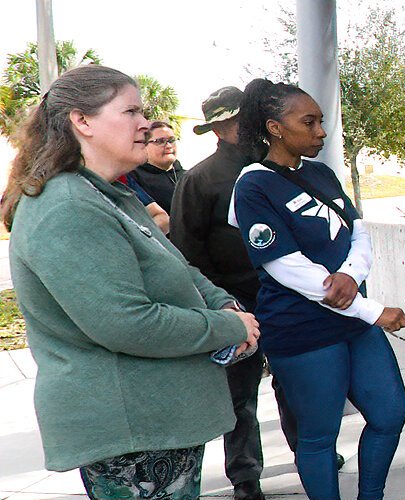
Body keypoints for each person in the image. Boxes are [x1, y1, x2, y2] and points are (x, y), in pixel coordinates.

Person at [2, 64, 260, 499]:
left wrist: (226, 305)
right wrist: (228, 328)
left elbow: (178, 268)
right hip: (134, 429)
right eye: (131, 112)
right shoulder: (66, 205)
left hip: (156, 421)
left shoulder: (105, 193)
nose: (145, 124)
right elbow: (126, 322)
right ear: (81, 121)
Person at [228, 78, 405, 500]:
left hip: (352, 322)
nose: (320, 132)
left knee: (389, 412)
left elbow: (359, 232)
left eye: (320, 121)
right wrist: (370, 309)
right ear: (275, 128)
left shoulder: (322, 174)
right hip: (302, 328)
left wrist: (349, 274)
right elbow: (284, 265)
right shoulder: (253, 185)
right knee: (318, 436)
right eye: (308, 122)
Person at [171, 86, 341, 500]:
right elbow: (186, 253)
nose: (238, 127)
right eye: (229, 121)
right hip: (237, 306)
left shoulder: (281, 169)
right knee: (240, 398)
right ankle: (245, 477)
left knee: (296, 385)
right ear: (218, 127)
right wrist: (222, 309)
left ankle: (312, 451)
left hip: (288, 302)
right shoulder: (200, 179)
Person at [129, 120, 184, 211]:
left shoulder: (189, 176)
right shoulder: (133, 179)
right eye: (160, 141)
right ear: (144, 145)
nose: (169, 146)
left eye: (171, 140)